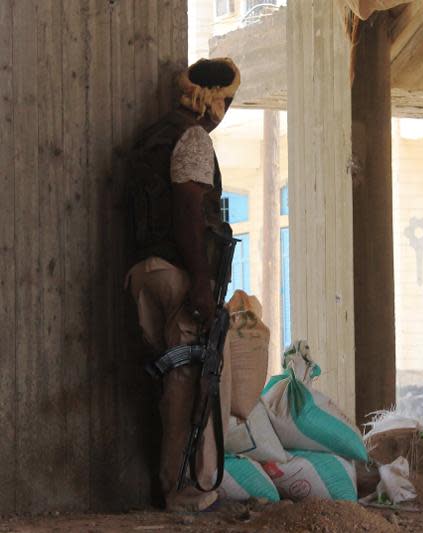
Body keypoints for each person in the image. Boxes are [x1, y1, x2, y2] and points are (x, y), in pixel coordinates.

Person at [125, 58, 240, 512]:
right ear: (212, 99)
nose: (226, 110)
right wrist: (199, 279)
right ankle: (188, 492)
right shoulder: (192, 136)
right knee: (194, 381)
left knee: (173, 384)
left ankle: (173, 482)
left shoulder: (152, 137)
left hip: (144, 272)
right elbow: (189, 207)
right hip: (176, 273)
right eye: (227, 101)